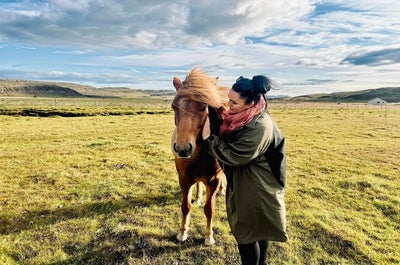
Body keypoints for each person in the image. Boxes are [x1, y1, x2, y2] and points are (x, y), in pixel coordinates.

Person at [202, 75, 288, 265]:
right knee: (259, 230)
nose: (228, 105)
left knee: (247, 237)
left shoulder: (260, 126)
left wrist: (209, 139)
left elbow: (235, 155)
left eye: (234, 102)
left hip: (256, 189)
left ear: (252, 103)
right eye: (228, 100)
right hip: (254, 183)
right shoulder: (246, 117)